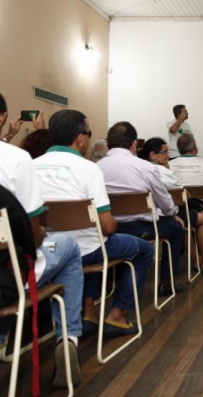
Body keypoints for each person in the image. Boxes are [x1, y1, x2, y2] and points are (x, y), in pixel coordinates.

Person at [0, 84, 83, 389]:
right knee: (66, 247)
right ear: (1, 118)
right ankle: (69, 339)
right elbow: (34, 238)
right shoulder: (14, 158)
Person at [34, 110, 154, 337]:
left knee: (92, 243)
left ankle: (88, 312)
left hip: (45, 250)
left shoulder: (31, 165)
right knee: (144, 250)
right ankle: (116, 316)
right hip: (87, 249)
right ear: (80, 138)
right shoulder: (89, 168)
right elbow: (108, 227)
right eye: (88, 133)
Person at [98, 122, 186, 296]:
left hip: (107, 230)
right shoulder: (146, 167)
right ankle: (166, 283)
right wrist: (173, 214)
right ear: (134, 144)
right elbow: (166, 203)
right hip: (141, 229)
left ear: (108, 144)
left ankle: (110, 283)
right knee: (176, 229)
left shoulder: (96, 167)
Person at [140, 137, 203, 272]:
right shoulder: (165, 171)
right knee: (199, 219)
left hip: (142, 218)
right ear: (153, 155)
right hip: (165, 216)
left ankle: (196, 260)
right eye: (165, 152)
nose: (168, 156)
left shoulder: (140, 170)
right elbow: (183, 196)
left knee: (183, 221)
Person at [169, 133, 203, 200]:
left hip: (178, 208)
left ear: (178, 148)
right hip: (202, 208)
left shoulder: (169, 165)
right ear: (194, 146)